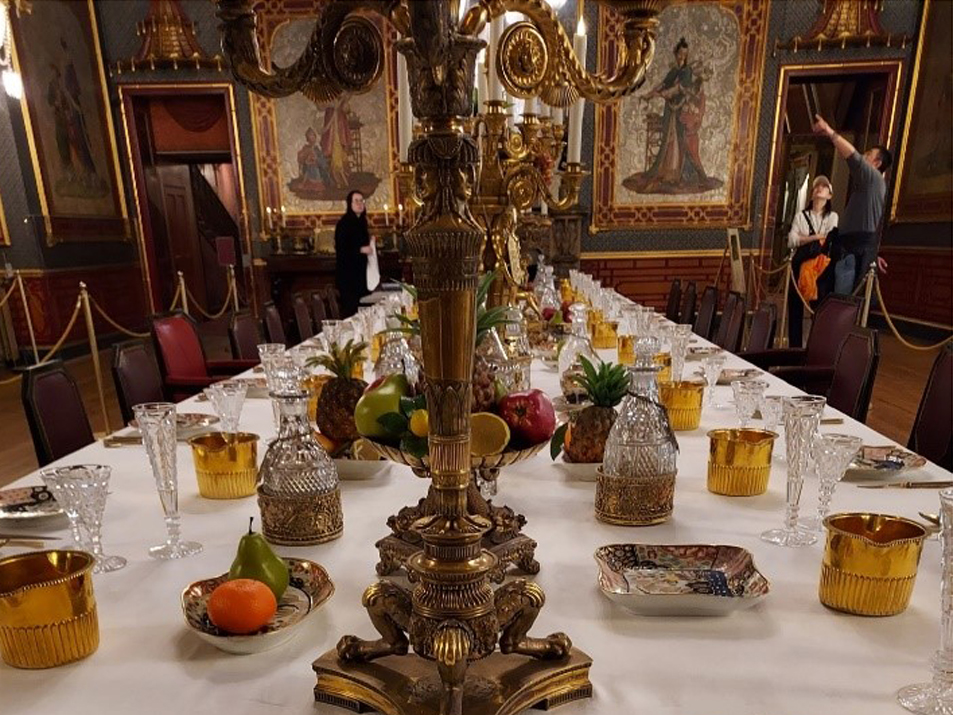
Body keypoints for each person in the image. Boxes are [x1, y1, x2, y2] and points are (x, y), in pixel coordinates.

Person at [623, 38, 721, 195]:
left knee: (678, 140)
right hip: (669, 109)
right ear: (675, 54)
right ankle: (666, 170)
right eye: (680, 54)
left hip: (679, 109)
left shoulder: (687, 71)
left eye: (684, 54)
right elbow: (663, 84)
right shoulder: (673, 71)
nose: (682, 57)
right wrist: (649, 94)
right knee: (667, 140)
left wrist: (663, 94)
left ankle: (677, 172)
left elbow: (678, 89)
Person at [812, 114, 892, 294]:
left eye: (868, 155)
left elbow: (853, 157)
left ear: (877, 163)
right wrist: (873, 253)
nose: (864, 156)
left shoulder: (873, 178)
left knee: (841, 303)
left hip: (853, 254)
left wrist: (829, 131)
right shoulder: (872, 184)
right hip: (853, 250)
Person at [786, 175, 838, 347]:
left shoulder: (832, 217)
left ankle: (815, 345)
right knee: (795, 306)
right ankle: (795, 346)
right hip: (800, 263)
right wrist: (816, 237)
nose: (819, 188)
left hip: (821, 265)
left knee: (819, 306)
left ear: (829, 195)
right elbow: (792, 239)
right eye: (816, 186)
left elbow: (830, 238)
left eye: (824, 186)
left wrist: (804, 237)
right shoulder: (801, 216)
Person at [334, 190, 373, 318]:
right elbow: (342, 249)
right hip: (348, 278)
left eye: (362, 201)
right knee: (351, 312)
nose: (360, 204)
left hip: (361, 276)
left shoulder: (362, 222)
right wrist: (360, 250)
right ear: (349, 204)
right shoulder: (344, 224)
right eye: (356, 201)